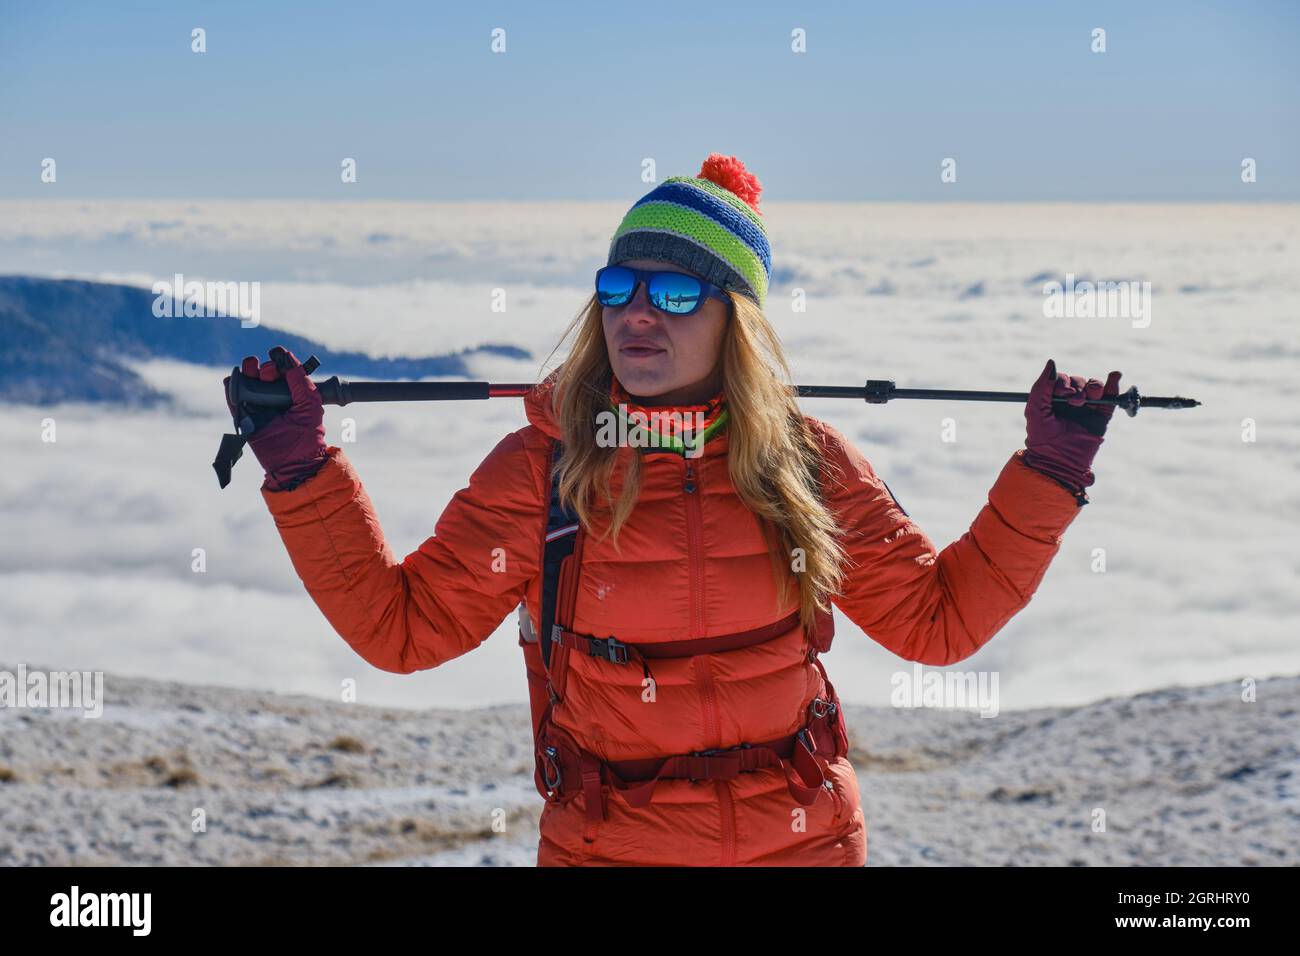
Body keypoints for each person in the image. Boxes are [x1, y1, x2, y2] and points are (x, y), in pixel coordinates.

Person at [222, 153, 1121, 867]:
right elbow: (403, 631)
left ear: (737, 319)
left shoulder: (803, 463)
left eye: (678, 292)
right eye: (620, 288)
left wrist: (1051, 466)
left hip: (803, 846)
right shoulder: (547, 470)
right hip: (610, 847)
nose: (639, 313)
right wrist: (303, 469)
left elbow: (937, 623)